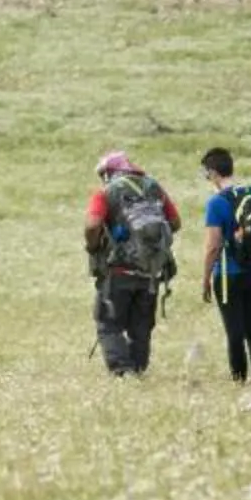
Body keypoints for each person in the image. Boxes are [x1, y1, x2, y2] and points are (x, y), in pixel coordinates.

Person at [84, 151, 181, 376]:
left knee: (109, 323)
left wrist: (94, 247)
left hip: (117, 270)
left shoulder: (106, 193)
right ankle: (138, 368)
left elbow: (92, 225)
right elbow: (175, 222)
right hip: (150, 271)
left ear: (109, 172)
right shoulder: (154, 188)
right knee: (141, 326)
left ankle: (122, 371)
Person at [198, 148, 251, 383]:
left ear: (213, 173)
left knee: (234, 332)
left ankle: (239, 381)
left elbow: (213, 245)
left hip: (229, 273)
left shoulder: (216, 203)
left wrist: (206, 278)